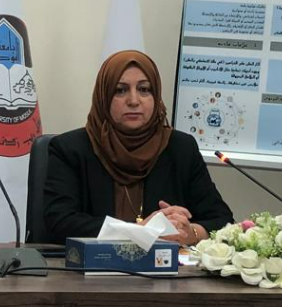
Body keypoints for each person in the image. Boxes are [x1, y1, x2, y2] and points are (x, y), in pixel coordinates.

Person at [44, 50, 234, 245]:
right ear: (104, 96)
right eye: (120, 90)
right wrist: (138, 231)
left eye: (144, 89)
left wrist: (190, 233)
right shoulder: (71, 149)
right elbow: (59, 222)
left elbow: (222, 220)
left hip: (164, 264)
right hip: (90, 264)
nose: (134, 101)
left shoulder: (181, 148)